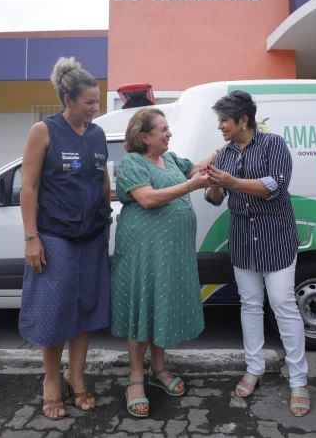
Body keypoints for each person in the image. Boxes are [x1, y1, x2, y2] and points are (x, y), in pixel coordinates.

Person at [204, 90, 310, 417]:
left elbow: (274, 186)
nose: (220, 126)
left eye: (224, 120)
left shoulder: (272, 144)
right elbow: (215, 199)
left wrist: (231, 181)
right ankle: (254, 368)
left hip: (275, 236)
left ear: (243, 120)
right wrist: (215, 182)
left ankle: (299, 380)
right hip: (242, 239)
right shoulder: (223, 154)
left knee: (282, 304)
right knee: (249, 304)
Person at [18, 56, 112, 421]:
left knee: (86, 308)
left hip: (92, 236)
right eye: (89, 102)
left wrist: (106, 216)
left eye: (97, 101)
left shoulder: (97, 134)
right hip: (56, 235)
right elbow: (29, 188)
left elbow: (102, 179)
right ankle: (52, 381)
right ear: (67, 99)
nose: (95, 108)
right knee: (55, 310)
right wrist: (31, 237)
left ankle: (77, 375)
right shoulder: (44, 131)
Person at [110, 108, 209, 418]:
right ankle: (135, 378)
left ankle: (159, 368)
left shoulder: (172, 159)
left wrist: (228, 146)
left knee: (160, 304)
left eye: (168, 128)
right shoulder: (133, 163)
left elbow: (198, 168)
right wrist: (191, 186)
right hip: (143, 251)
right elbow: (148, 198)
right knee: (142, 306)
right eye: (162, 129)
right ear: (144, 136)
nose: (169, 133)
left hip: (171, 252)